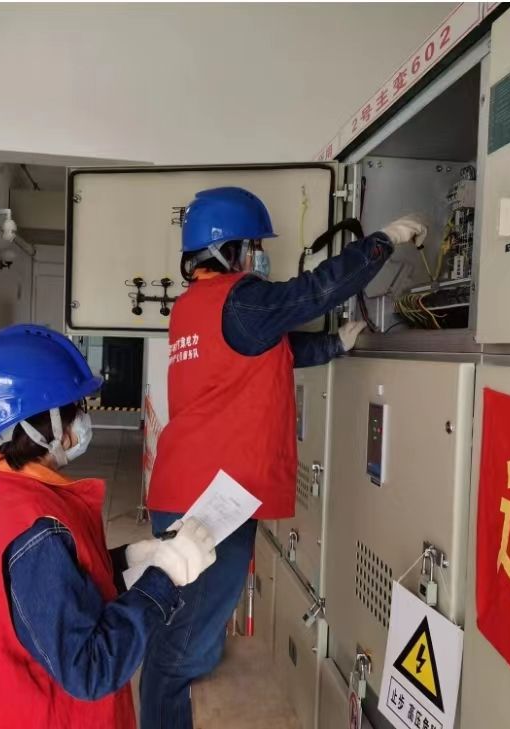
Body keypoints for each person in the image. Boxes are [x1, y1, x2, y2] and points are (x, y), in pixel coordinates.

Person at [141, 187, 426, 728]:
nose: (259, 258)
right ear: (231, 250)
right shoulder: (240, 299)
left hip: (191, 488)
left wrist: (336, 346)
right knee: (177, 652)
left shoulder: (194, 306)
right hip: (212, 502)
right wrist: (382, 242)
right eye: (255, 247)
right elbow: (315, 291)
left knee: (188, 624)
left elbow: (272, 352)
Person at [0, 324, 217, 729]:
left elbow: (56, 587)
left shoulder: (8, 493)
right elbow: (90, 669)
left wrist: (128, 561)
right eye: (76, 406)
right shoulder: (37, 533)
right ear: (41, 423)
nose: (84, 417)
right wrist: (163, 579)